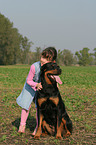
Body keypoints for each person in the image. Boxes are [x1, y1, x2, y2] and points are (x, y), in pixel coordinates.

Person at [16, 47, 62, 135]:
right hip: (30, 87)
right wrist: (36, 85)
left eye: (47, 59)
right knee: (26, 106)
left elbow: (53, 78)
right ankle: (22, 125)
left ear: (53, 62)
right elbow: (29, 80)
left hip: (41, 89)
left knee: (39, 107)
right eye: (42, 57)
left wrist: (56, 84)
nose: (43, 60)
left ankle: (38, 127)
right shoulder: (34, 66)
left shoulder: (51, 68)